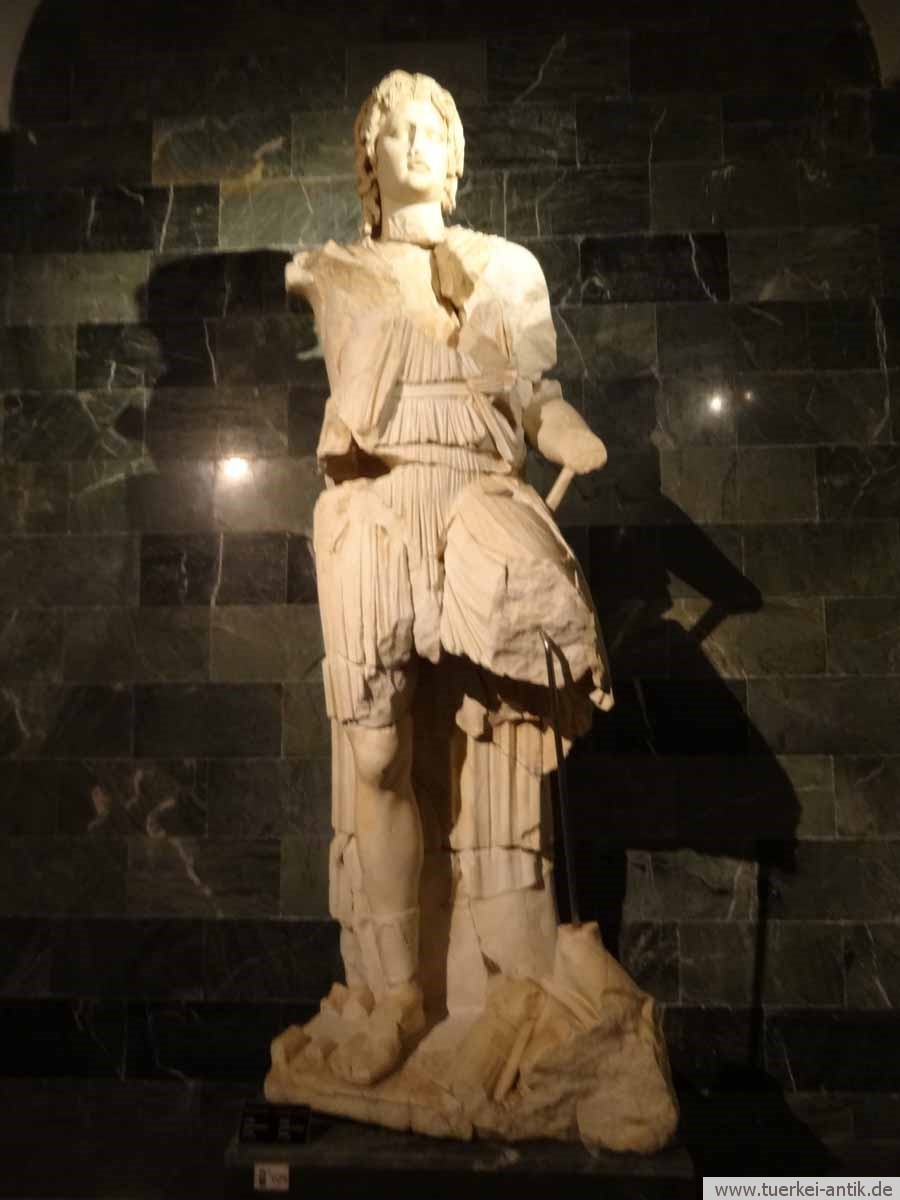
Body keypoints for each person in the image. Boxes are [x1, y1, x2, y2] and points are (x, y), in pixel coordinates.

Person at [285, 70, 612, 1087]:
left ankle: (504, 977)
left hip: (475, 497)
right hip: (375, 507)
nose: (417, 143)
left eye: (434, 129)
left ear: (457, 155)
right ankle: (396, 996)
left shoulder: (504, 266)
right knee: (377, 753)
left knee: (497, 738)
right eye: (397, 129)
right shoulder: (334, 267)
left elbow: (532, 395)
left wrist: (569, 431)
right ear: (368, 155)